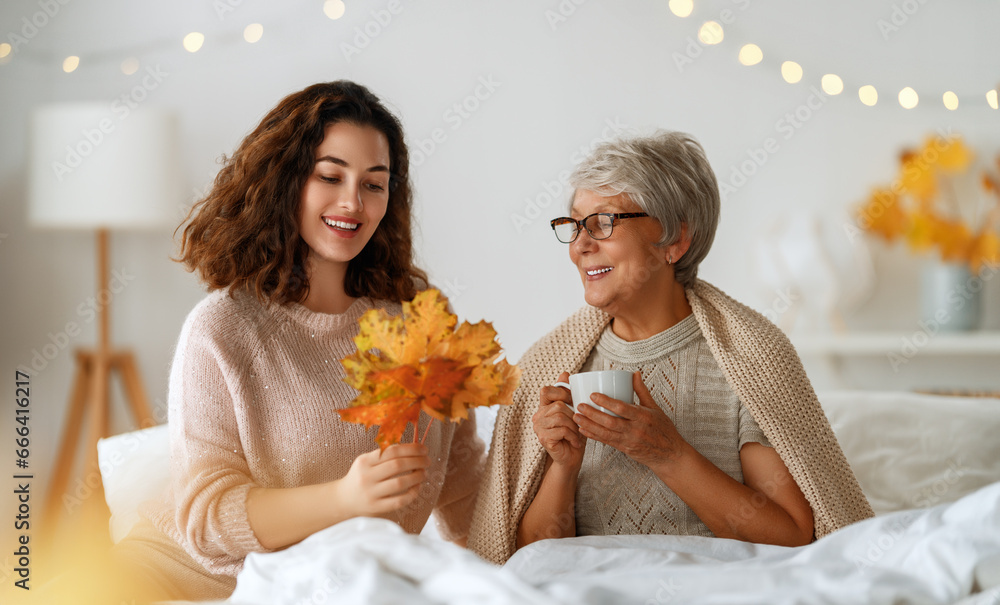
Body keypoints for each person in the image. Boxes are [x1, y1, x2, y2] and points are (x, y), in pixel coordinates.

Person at [114, 81, 485, 601]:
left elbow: (466, 486)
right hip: (181, 581)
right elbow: (206, 520)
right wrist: (345, 498)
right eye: (330, 176)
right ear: (286, 182)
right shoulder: (222, 328)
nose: (352, 202)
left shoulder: (421, 319)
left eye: (374, 184)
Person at [468, 131, 873, 565]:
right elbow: (532, 559)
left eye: (603, 222)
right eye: (574, 224)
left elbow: (792, 537)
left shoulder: (750, 359)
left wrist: (669, 456)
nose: (581, 246)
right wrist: (563, 466)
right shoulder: (549, 366)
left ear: (675, 240)